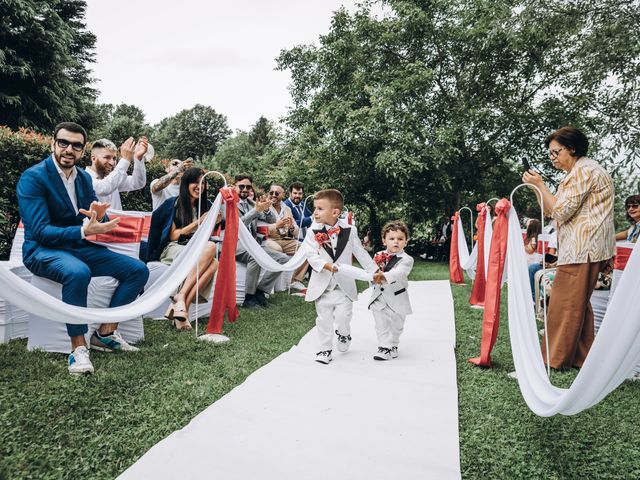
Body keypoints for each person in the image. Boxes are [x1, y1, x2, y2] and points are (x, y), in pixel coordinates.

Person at [17, 122, 149, 375]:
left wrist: (95, 219)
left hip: (78, 245)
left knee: (138, 270)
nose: (69, 149)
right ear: (53, 144)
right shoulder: (33, 178)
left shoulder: (83, 178)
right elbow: (40, 231)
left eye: (76, 145)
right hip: (41, 250)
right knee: (78, 273)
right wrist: (83, 230)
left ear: (82, 150)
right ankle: (78, 349)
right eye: (63, 143)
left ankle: (105, 333)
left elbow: (86, 215)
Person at [523, 126, 615, 369]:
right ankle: (582, 358)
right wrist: (537, 188)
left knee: (563, 305)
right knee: (577, 306)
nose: (552, 158)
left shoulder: (583, 172)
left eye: (556, 152)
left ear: (572, 148)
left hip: (583, 247)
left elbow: (560, 211)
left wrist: (540, 185)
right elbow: (551, 209)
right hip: (584, 247)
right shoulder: (579, 171)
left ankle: (553, 360)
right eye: (550, 154)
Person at [302, 189, 377, 364]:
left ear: (335, 212)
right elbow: (311, 255)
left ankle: (343, 333)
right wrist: (326, 265)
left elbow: (360, 253)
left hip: (344, 285)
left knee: (344, 316)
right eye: (315, 208)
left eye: (320, 208)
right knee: (323, 318)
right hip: (323, 285)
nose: (315, 212)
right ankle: (325, 349)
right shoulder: (312, 231)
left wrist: (374, 271)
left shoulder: (350, 230)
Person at [150, 168, 220, 330]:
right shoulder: (174, 204)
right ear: (186, 184)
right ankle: (181, 298)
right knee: (210, 248)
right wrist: (199, 223)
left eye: (203, 183)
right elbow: (174, 236)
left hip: (195, 248)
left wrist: (212, 223)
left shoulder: (207, 205)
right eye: (195, 182)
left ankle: (181, 305)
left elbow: (204, 235)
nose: (199, 186)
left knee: (214, 262)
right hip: (174, 247)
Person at [234, 174, 290, 309]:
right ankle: (249, 299)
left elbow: (271, 220)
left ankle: (260, 292)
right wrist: (256, 211)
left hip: (253, 244)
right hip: (234, 244)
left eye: (248, 187)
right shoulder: (228, 203)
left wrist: (266, 208)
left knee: (283, 259)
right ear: (234, 186)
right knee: (255, 256)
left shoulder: (252, 203)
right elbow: (236, 226)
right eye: (241, 186)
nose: (245, 189)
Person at [368, 220, 414, 361]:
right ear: (384, 241)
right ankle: (384, 347)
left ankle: (393, 344)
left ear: (406, 241)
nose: (396, 242)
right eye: (392, 239)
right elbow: (371, 271)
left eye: (400, 239)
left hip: (397, 297)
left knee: (397, 325)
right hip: (379, 297)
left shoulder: (406, 259)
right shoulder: (378, 255)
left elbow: (400, 273)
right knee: (381, 323)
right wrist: (372, 277)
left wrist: (384, 275)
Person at [264, 183, 308, 291]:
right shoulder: (264, 207)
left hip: (285, 238)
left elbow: (296, 231)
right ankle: (270, 286)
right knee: (278, 249)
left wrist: (292, 227)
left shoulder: (287, 208)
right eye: (271, 192)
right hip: (269, 239)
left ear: (283, 195)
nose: (274, 195)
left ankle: (295, 280)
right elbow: (259, 228)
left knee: (306, 249)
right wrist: (277, 226)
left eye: (277, 193)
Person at [86, 137, 148, 211]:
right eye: (107, 157)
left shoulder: (114, 178)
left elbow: (138, 182)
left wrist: (138, 158)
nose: (112, 163)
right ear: (93, 159)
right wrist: (125, 159)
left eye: (114, 158)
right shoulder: (84, 178)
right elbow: (103, 188)